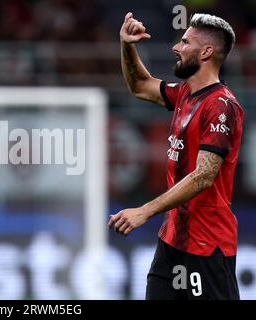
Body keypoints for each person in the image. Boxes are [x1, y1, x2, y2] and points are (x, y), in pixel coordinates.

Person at [108, 12, 243, 300]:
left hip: (207, 246)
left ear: (206, 52)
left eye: (185, 42)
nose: (176, 47)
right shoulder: (185, 93)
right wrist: (127, 45)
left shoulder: (221, 106)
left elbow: (204, 177)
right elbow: (140, 86)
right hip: (173, 242)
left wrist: (144, 211)